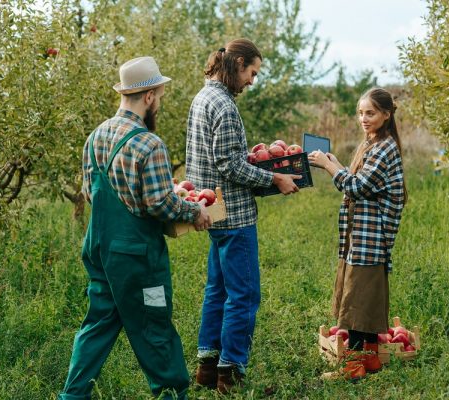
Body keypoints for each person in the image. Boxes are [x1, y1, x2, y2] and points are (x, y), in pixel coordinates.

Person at [58, 56, 212, 400]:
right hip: (138, 260)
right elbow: (160, 204)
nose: (158, 101)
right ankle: (172, 393)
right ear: (149, 97)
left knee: (98, 322)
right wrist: (194, 211)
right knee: (153, 323)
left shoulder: (95, 137)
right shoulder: (149, 144)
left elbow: (90, 193)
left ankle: (72, 395)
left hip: (99, 251)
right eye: (158, 94)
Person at [185, 38, 301, 393]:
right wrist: (273, 177)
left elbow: (214, 159)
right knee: (244, 294)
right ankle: (230, 371)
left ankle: (207, 366)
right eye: (252, 72)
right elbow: (229, 164)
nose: (253, 80)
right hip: (233, 216)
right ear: (237, 63)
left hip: (212, 211)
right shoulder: (224, 104)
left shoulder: (203, 97)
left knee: (217, 289)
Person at [308, 87, 407, 380]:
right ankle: (370, 359)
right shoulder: (373, 143)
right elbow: (356, 179)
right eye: (361, 113)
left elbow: (357, 187)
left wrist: (328, 167)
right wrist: (336, 162)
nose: (363, 118)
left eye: (371, 113)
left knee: (357, 300)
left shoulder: (384, 147)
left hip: (371, 238)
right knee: (363, 297)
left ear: (386, 115)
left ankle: (352, 368)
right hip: (362, 236)